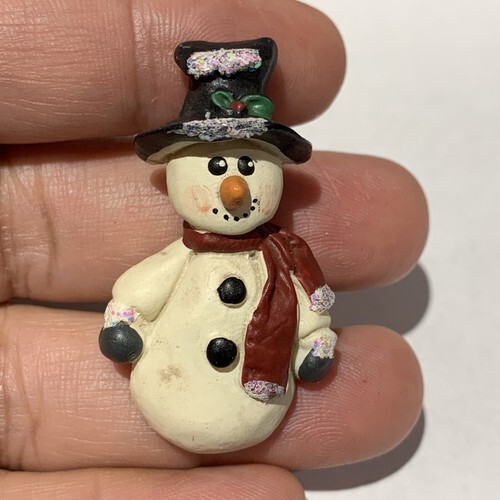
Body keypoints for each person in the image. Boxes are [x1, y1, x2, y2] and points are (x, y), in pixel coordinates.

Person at [0, 0, 428, 498]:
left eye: (247, 167)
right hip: (170, 387)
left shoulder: (280, 260)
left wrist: (312, 341)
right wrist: (128, 321)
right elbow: (145, 286)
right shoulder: (186, 257)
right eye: (216, 168)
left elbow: (307, 307)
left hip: (252, 402)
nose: (234, 189)